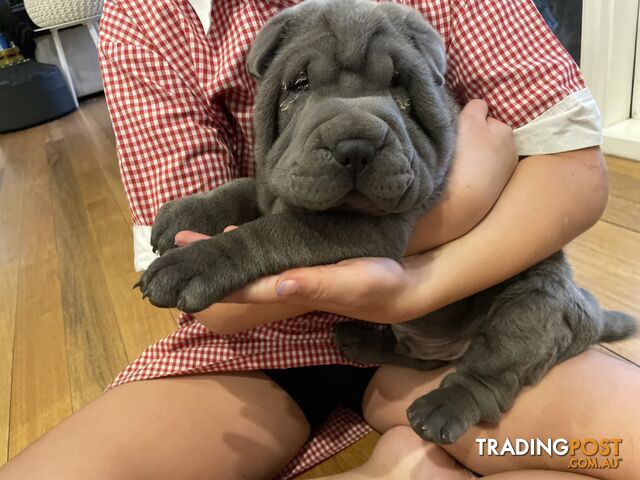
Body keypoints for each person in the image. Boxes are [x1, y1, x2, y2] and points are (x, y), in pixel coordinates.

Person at [1, 0, 638, 479]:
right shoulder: (152, 18)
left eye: (399, 87)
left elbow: (575, 172)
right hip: (261, 352)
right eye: (302, 86)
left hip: (465, 329)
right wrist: (462, 198)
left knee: (614, 443)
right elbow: (206, 294)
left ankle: (409, 459)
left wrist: (415, 290)